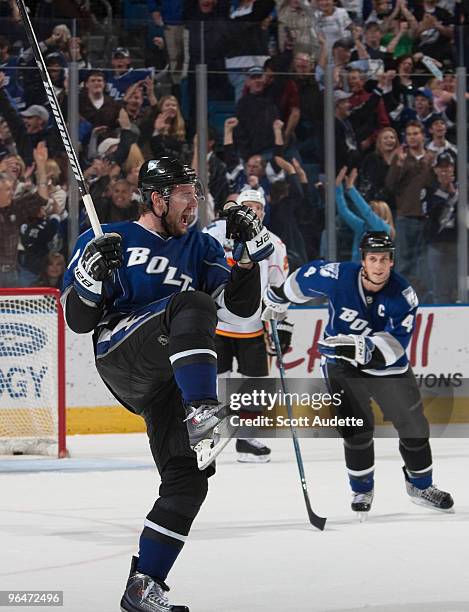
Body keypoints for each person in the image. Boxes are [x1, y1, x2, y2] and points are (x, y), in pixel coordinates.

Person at [61, 157, 274, 611]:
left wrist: (245, 255)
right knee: (190, 303)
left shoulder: (200, 247)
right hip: (120, 352)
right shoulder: (106, 239)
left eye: (195, 194)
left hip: (166, 382)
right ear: (157, 199)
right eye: (183, 194)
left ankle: (144, 584)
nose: (193, 202)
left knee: (188, 480)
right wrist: (91, 276)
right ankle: (203, 409)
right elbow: (78, 321)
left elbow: (242, 307)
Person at [262, 231, 454, 515]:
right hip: (341, 365)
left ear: (392, 262)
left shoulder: (403, 295)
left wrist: (359, 347)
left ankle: (420, 485)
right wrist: (280, 297)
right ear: (363, 260)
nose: (378, 266)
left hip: (388, 368)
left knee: (414, 426)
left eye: (384, 260)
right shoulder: (339, 276)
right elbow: (305, 277)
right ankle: (362, 489)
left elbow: (396, 345)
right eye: (373, 259)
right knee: (356, 430)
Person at [204, 189, 290, 462]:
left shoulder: (273, 244)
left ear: (264, 212)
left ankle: (247, 439)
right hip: (217, 323)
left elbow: (278, 286)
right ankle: (209, 436)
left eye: (258, 208)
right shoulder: (215, 234)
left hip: (252, 327)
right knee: (212, 382)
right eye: (248, 207)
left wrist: (282, 321)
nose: (254, 212)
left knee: (257, 384)